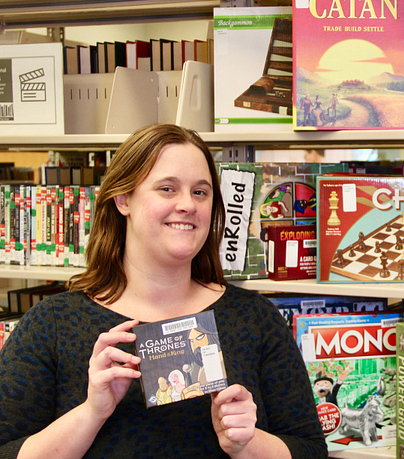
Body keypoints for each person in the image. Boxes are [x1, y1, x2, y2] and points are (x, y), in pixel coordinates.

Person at [0, 124, 327, 458]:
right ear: (123, 198)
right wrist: (91, 413)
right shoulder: (53, 323)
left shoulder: (255, 318)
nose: (187, 204)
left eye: (200, 192)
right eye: (168, 189)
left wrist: (246, 443)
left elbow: (310, 449)